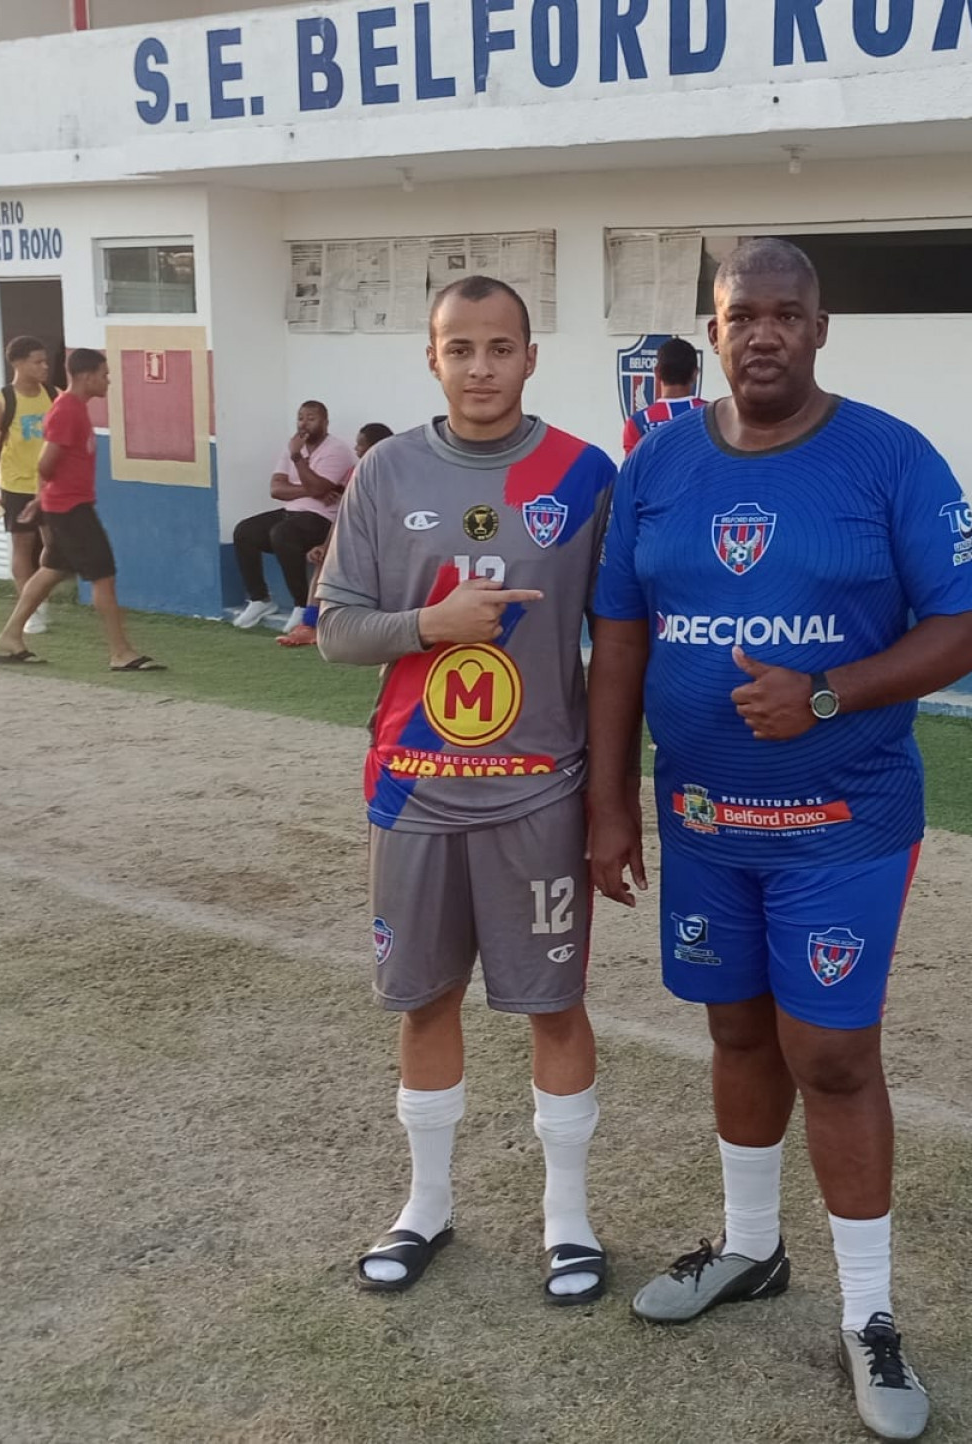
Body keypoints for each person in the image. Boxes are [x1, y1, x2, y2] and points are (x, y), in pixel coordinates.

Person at [586, 238, 972, 1442]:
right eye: (738, 315)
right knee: (733, 1030)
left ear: (821, 328)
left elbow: (969, 628)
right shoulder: (658, 461)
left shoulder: (889, 456)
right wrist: (612, 799)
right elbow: (619, 638)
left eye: (784, 314)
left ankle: (869, 1314)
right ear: (711, 332)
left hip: (843, 820)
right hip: (706, 821)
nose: (760, 333)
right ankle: (752, 1250)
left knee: (830, 1054)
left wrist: (828, 692)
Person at [314, 276, 617, 1306]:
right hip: (416, 791)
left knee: (554, 1004)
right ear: (431, 358)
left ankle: (568, 1222)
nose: (480, 368)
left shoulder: (583, 476)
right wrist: (430, 627)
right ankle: (426, 1204)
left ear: (532, 356)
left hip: (539, 792)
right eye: (460, 349)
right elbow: (335, 627)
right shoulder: (384, 471)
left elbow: (621, 638)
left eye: (500, 347)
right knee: (424, 997)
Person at [0, 348, 164, 672]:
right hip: (71, 509)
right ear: (86, 376)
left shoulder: (74, 408)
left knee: (51, 569)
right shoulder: (67, 410)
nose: (107, 380)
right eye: (104, 374)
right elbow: (45, 463)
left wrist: (43, 499)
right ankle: (120, 652)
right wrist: (48, 497)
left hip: (66, 506)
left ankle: (11, 636)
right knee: (103, 576)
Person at [231, 401, 360, 633]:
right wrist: (311, 489)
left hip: (322, 518)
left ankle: (301, 605)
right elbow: (276, 489)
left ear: (325, 422)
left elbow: (319, 487)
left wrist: (298, 460)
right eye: (300, 418)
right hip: (291, 512)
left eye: (311, 418)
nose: (304, 423)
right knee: (244, 531)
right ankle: (260, 599)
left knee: (282, 534)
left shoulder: (336, 449)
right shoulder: (293, 447)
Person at [276, 421, 394, 649]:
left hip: (389, 541)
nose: (356, 450)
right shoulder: (356, 473)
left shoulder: (395, 474)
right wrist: (326, 545)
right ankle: (309, 626)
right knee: (325, 561)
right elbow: (343, 516)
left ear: (376, 448)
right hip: (360, 539)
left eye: (361, 445)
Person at [0, 336, 60, 634]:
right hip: (17, 486)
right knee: (22, 546)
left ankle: (40, 597)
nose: (44, 367)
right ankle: (31, 609)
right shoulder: (2, 402)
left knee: (54, 547)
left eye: (45, 361)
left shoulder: (54, 395)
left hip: (49, 487)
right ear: (18, 364)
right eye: (37, 362)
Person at [622, 337, 707, 455]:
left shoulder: (638, 423)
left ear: (657, 373)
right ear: (695, 373)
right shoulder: (715, 416)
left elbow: (632, 472)